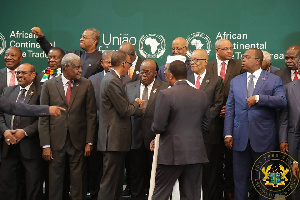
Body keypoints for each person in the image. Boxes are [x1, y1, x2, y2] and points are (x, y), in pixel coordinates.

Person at [224, 48, 287, 200]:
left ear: (257, 60)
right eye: (243, 57)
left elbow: (282, 101)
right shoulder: (236, 81)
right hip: (239, 139)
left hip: (263, 138)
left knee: (265, 181)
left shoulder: (273, 79)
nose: (243, 60)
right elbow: (230, 109)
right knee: (239, 180)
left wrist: (259, 98)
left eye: (246, 57)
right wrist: (228, 133)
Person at [39, 53, 97, 200]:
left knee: (78, 183)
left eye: (80, 67)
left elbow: (91, 115)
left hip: (78, 142)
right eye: (77, 68)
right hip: (55, 142)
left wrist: (89, 142)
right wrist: (45, 145)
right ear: (66, 67)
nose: (80, 71)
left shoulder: (86, 84)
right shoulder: (49, 85)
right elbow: (43, 116)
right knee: (55, 183)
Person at [151, 60, 210, 200]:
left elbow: (158, 127)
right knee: (191, 196)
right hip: (195, 153)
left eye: (166, 74)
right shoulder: (201, 95)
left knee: (161, 194)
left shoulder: (165, 94)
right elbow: (207, 126)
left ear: (170, 76)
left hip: (171, 154)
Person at [97, 51, 143, 200]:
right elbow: (124, 110)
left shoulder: (113, 79)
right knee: (110, 181)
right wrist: (137, 103)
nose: (129, 67)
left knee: (116, 182)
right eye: (129, 64)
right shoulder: (112, 81)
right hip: (113, 139)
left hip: (116, 140)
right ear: (124, 64)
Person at [206, 38, 244, 200]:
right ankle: (214, 192)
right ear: (217, 51)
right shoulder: (208, 66)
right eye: (226, 49)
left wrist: (229, 109)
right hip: (212, 121)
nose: (230, 51)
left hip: (233, 119)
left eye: (231, 48)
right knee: (213, 159)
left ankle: (230, 190)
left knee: (231, 159)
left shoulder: (239, 66)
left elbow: (243, 90)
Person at [125, 59, 168, 199]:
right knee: (135, 174)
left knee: (154, 175)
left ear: (155, 73)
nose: (143, 75)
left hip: (154, 139)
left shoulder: (165, 88)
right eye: (141, 72)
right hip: (134, 138)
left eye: (147, 72)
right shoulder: (129, 87)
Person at [0, 63, 43, 200]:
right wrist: (5, 131)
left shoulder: (41, 92)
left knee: (32, 187)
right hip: (8, 145)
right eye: (18, 73)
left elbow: (44, 119)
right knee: (8, 185)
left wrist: (24, 132)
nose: (20, 75)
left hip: (30, 147)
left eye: (24, 73)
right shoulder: (7, 91)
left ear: (33, 75)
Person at [187, 49, 224, 200]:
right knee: (190, 172)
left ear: (205, 61)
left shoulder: (215, 80)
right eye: (191, 60)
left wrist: (200, 121)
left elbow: (217, 105)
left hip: (208, 133)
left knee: (209, 172)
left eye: (197, 60)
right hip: (188, 134)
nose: (193, 63)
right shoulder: (186, 79)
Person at [31, 27, 103, 78]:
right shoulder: (75, 55)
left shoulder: (101, 58)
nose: (81, 39)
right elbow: (54, 54)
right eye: (81, 37)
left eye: (84, 37)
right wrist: (41, 37)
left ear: (94, 41)